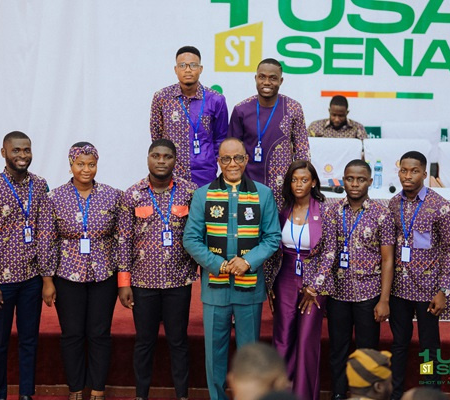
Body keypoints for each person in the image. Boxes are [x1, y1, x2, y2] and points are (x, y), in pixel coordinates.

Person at [183, 137, 282, 400]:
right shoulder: (203, 195)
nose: (232, 164)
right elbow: (190, 238)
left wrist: (247, 261)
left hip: (249, 289)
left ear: (247, 159)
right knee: (214, 352)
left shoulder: (263, 194)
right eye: (225, 159)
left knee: (249, 353)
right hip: (214, 288)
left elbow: (272, 237)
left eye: (238, 157)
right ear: (218, 161)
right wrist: (218, 264)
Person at [118, 139, 198, 400]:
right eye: (156, 155)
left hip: (178, 282)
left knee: (178, 342)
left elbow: (199, 234)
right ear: (148, 158)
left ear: (175, 160)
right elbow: (123, 241)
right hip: (142, 284)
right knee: (144, 343)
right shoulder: (132, 194)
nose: (161, 161)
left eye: (167, 156)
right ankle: (141, 395)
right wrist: (124, 282)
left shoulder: (190, 192)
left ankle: (182, 396)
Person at [41, 142, 122, 400]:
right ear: (70, 165)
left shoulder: (113, 196)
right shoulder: (54, 198)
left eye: (91, 164)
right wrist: (47, 281)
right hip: (67, 275)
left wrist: (122, 279)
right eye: (80, 164)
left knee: (99, 333)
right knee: (73, 333)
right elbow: (47, 240)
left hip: (104, 275)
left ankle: (98, 388)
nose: (86, 169)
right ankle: (75, 388)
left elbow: (121, 239)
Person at [0, 131, 50, 400]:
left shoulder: (41, 186)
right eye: (16, 150)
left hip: (32, 278)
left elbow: (46, 231)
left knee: (29, 340)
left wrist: (46, 276)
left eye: (27, 150)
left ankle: (26, 394)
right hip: (2, 282)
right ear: (3, 152)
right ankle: (0, 395)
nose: (22, 155)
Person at [388, 151, 450, 400]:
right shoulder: (394, 204)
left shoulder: (440, 206)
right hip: (398, 289)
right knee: (399, 344)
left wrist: (443, 291)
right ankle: (396, 393)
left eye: (414, 171)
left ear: (425, 174)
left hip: (428, 290)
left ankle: (430, 391)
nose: (408, 176)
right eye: (404, 170)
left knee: (428, 348)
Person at [265, 160, 335, 400]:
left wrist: (315, 286)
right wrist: (268, 283)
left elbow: (330, 252)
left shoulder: (325, 210)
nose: (298, 184)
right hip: (285, 277)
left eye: (304, 180)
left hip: (314, 284)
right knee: (283, 338)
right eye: (294, 180)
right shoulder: (282, 209)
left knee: (306, 342)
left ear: (313, 182)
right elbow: (272, 248)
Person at [327, 160, 395, 400]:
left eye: (360, 179)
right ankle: (338, 393)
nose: (354, 184)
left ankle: (366, 396)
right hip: (338, 294)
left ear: (370, 181)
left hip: (368, 294)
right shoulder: (333, 210)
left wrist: (384, 300)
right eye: (349, 178)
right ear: (343, 180)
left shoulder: (382, 214)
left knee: (367, 351)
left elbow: (388, 260)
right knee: (338, 349)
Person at [228, 58, 310, 209]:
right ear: (256, 78)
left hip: (283, 189)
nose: (267, 82)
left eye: (273, 78)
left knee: (277, 231)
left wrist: (299, 184)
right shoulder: (241, 109)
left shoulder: (293, 108)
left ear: (281, 81)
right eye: (262, 77)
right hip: (248, 186)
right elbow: (231, 151)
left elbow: (302, 150)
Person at [150, 45, 229, 187]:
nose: (187, 70)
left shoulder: (216, 99)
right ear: (176, 69)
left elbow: (221, 138)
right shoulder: (162, 98)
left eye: (193, 65)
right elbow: (156, 138)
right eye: (182, 65)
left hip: (204, 173)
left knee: (205, 209)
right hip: (171, 173)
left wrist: (209, 159)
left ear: (200, 69)